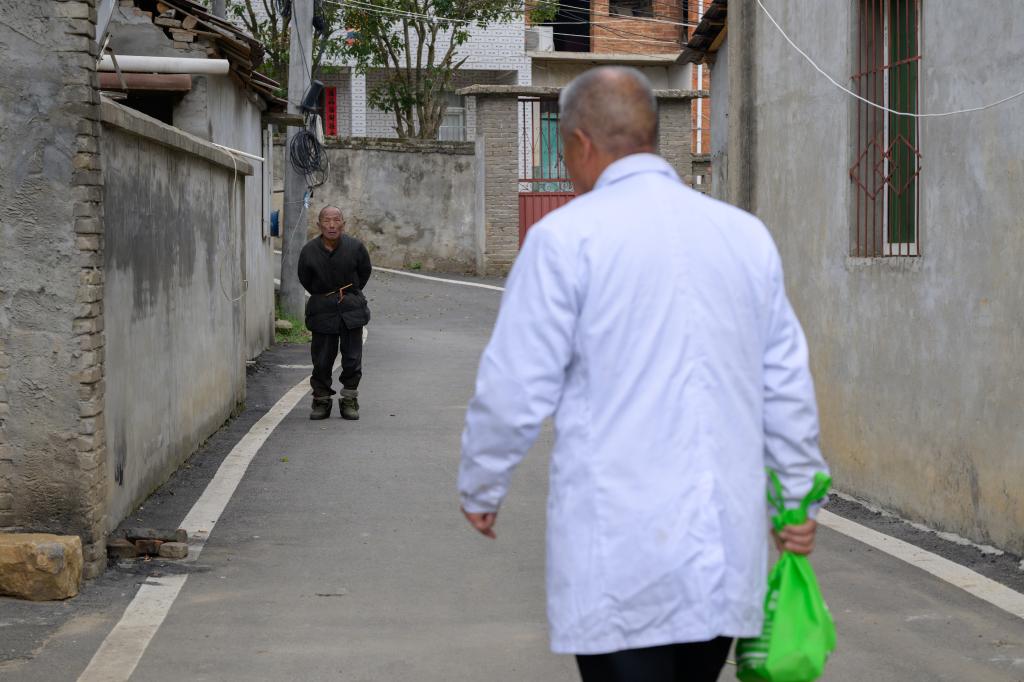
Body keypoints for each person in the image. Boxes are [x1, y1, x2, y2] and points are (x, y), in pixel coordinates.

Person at [457, 67, 830, 681]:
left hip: (620, 556)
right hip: (721, 552)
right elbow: (785, 384)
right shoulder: (744, 238)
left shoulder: (564, 240)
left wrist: (482, 484)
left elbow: (516, 385)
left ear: (579, 144)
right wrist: (795, 501)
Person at [297, 205, 372, 421]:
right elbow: (305, 278)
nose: (332, 225)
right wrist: (325, 296)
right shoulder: (309, 251)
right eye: (327, 221)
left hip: (351, 310)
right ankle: (321, 400)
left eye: (336, 220)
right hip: (322, 310)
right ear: (318, 224)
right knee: (322, 359)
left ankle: (349, 399)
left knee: (352, 358)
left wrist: (348, 295)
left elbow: (364, 273)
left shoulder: (355, 247)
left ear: (343, 224)